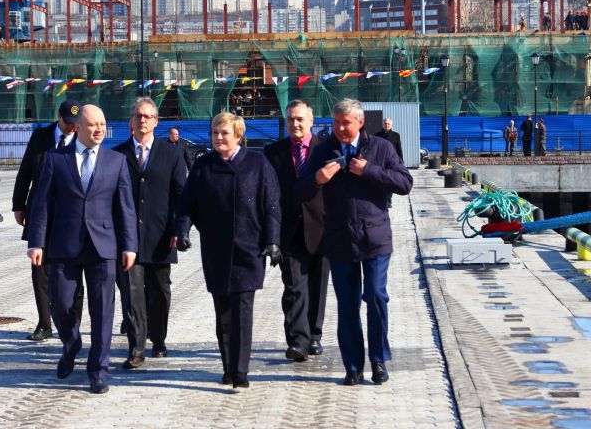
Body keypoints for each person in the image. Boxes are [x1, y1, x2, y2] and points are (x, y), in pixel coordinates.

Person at [296, 99, 413, 387]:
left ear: (360, 123)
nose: (340, 128)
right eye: (335, 123)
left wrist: (369, 170)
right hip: (339, 239)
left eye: (345, 123)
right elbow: (300, 190)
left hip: (375, 237)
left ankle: (378, 360)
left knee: (376, 296)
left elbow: (404, 183)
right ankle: (353, 366)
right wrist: (318, 178)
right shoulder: (323, 151)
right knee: (347, 305)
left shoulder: (381, 148)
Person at [27, 105, 138, 395]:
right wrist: (36, 242)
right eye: (92, 125)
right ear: (78, 127)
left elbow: (125, 208)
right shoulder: (56, 159)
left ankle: (98, 370)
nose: (99, 129)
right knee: (60, 304)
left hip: (103, 246)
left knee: (103, 311)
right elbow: (40, 204)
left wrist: (129, 246)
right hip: (64, 245)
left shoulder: (116, 161)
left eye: (102, 123)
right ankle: (71, 343)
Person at [176, 112, 282, 389]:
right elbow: (187, 204)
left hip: (249, 248)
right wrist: (183, 230)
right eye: (214, 133)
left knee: (242, 310)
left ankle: (241, 370)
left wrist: (273, 240)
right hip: (216, 249)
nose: (218, 138)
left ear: (238, 135)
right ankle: (227, 367)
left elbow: (271, 204)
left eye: (224, 133)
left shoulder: (257, 163)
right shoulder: (203, 166)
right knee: (222, 311)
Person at [113, 98, 186, 369]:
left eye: (147, 116)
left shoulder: (171, 153)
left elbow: (181, 195)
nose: (142, 120)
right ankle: (136, 348)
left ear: (156, 121)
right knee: (132, 294)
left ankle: (158, 338)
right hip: (127, 238)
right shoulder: (117, 155)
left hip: (161, 236)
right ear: (131, 121)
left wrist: (179, 228)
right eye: (137, 116)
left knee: (160, 292)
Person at [12, 99, 85, 342]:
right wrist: (19, 205)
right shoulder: (40, 137)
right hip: (40, 211)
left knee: (74, 270)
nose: (72, 127)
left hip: (70, 214)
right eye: (68, 123)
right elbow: (25, 171)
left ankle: (73, 324)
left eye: (76, 123)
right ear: (58, 117)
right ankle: (44, 323)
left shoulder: (83, 138)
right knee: (40, 270)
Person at [263, 100, 329, 363]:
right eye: (290, 119)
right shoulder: (273, 152)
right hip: (289, 231)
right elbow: (268, 194)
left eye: (300, 119)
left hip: (322, 230)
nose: (295, 124)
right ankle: (297, 341)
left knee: (318, 286)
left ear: (311, 121)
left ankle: (314, 335)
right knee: (294, 288)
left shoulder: (326, 149)